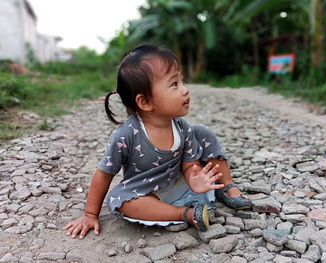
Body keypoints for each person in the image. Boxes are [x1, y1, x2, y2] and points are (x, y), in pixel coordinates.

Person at [63, 44, 252, 239]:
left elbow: (189, 166)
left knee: (203, 132)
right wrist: (90, 214)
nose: (185, 90)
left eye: (182, 81)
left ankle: (226, 186)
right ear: (145, 102)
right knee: (118, 199)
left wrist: (194, 179)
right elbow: (103, 175)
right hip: (147, 194)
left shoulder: (183, 128)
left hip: (180, 182)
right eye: (174, 84)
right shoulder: (126, 135)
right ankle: (186, 213)